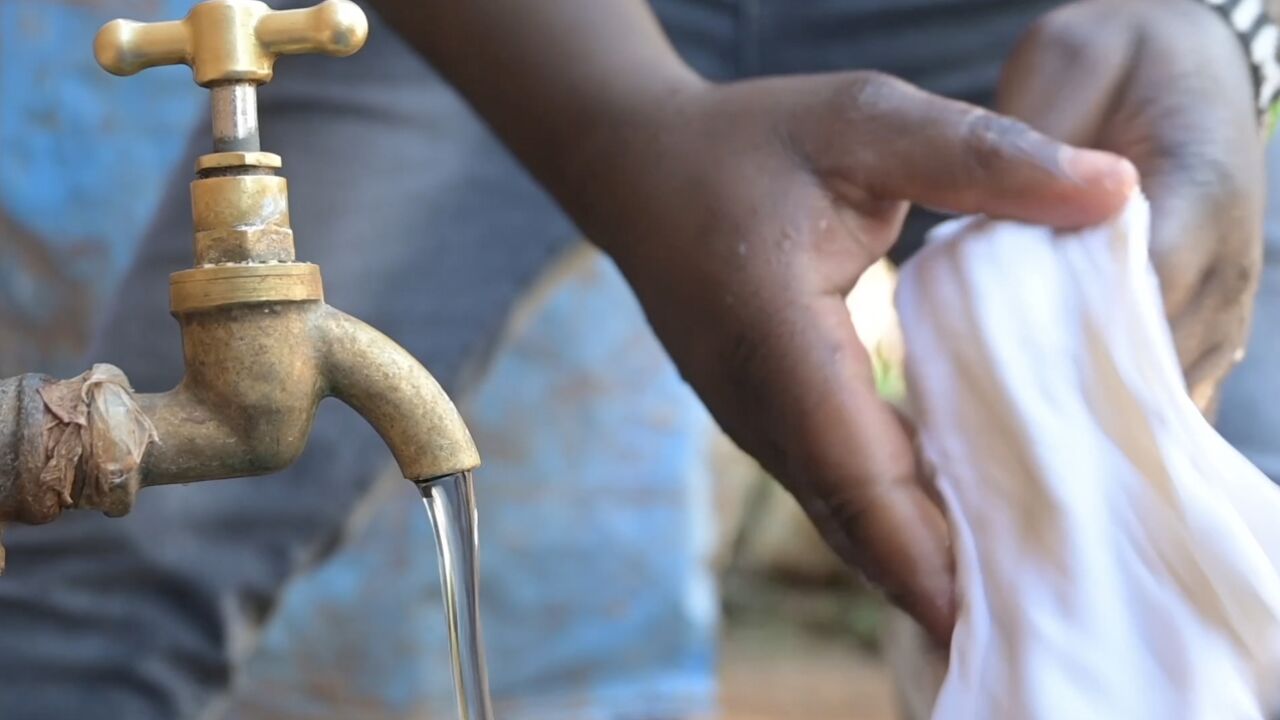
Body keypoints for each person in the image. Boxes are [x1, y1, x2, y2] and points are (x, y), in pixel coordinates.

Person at [0, 0, 1266, 717]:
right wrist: (614, 125)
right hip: (520, 27)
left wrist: (1222, 26)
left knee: (1196, 565)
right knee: (121, 557)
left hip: (1037, 22)